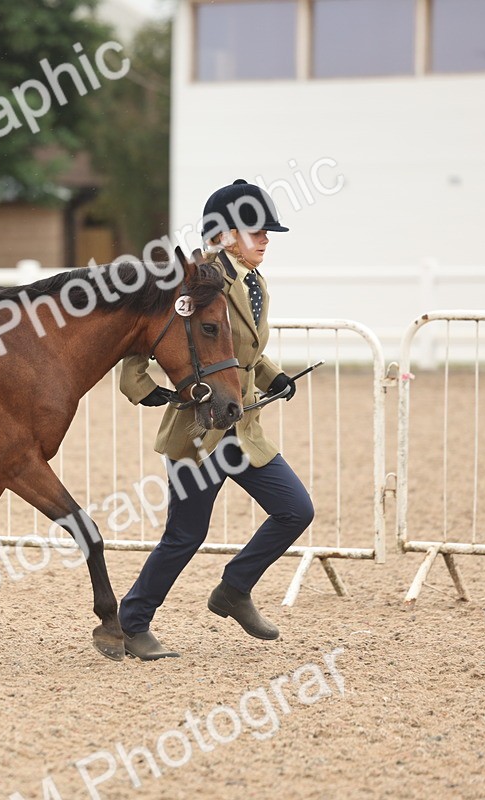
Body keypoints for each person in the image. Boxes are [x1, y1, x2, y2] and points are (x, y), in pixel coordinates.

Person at [117, 179, 314, 661]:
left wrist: (272, 377)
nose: (266, 239)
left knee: (296, 510)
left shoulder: (253, 279)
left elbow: (237, 353)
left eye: (269, 231)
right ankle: (133, 621)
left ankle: (234, 588)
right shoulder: (197, 281)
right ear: (224, 235)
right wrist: (142, 388)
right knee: (186, 535)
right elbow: (144, 340)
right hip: (199, 429)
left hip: (242, 427)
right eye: (255, 231)